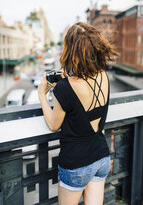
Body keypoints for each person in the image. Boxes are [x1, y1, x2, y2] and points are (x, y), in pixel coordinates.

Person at [38, 22, 119, 205]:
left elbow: (53, 124)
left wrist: (42, 94)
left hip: (76, 163)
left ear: (70, 49)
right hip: (101, 156)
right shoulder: (103, 76)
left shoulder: (65, 88)